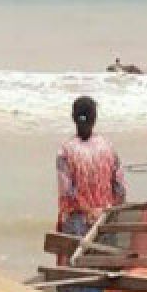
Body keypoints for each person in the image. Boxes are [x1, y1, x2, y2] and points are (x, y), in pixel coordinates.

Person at [56, 96, 127, 246]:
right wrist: (104, 211)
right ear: (95, 118)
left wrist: (88, 211)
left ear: (73, 118)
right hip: (105, 222)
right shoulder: (108, 147)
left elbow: (67, 192)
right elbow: (120, 189)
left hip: (77, 226)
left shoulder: (65, 151)